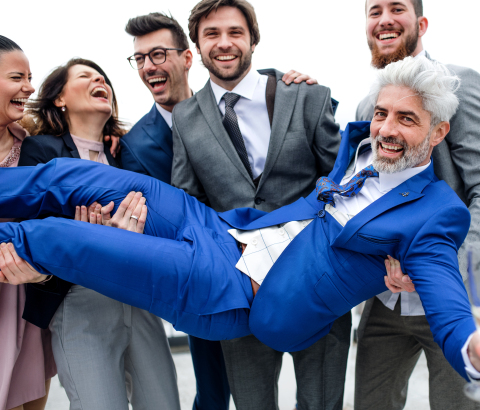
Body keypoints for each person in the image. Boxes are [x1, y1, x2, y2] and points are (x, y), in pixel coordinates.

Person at [0, 57, 480, 392]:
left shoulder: (437, 215)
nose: (386, 128)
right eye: (382, 113)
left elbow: (446, 300)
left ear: (438, 132)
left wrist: (478, 352)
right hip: (221, 229)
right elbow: (321, 125)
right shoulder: (362, 143)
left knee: (57, 239)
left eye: (406, 119)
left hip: (234, 287)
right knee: (77, 177)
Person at [171, 1, 345, 409]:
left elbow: (341, 183)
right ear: (196, 45)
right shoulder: (185, 117)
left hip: (317, 282)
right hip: (240, 291)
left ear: (253, 39)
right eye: (212, 34)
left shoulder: (307, 96)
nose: (224, 43)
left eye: (235, 32)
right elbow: (189, 202)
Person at [353, 2, 480, 409]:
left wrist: (442, 267)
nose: (384, 19)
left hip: (462, 292)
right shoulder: (365, 107)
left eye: (397, 8)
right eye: (375, 10)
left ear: (421, 23)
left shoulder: (461, 83)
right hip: (387, 297)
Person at [15, 58, 179, 410]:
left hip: (139, 297)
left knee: (164, 404)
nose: (99, 79)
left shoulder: (127, 155)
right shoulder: (40, 151)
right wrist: (84, 238)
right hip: (78, 299)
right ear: (60, 98)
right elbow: (30, 222)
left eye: (102, 77)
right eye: (85, 76)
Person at [0, 35, 57, 410]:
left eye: (31, 77)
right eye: (17, 77)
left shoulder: (38, 151)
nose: (30, 87)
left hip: (23, 304)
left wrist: (41, 275)